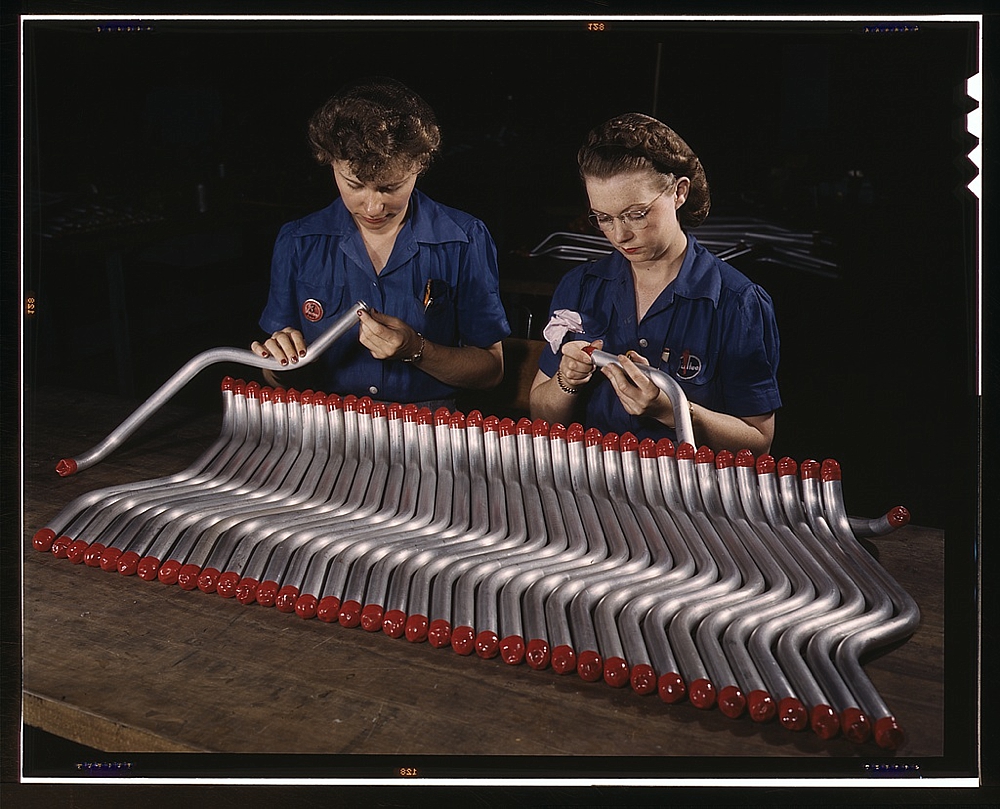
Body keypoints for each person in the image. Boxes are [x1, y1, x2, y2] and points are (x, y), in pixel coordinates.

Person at [530, 113, 781, 454]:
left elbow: (757, 442)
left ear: (679, 193)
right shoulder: (580, 287)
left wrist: (671, 410)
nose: (620, 235)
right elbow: (540, 413)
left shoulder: (737, 303)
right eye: (604, 218)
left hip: (687, 495)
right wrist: (566, 380)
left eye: (636, 214)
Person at [252, 76, 510, 408]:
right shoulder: (298, 242)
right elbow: (275, 377)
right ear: (330, 161)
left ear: (420, 165)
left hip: (429, 432)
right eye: (354, 185)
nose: (373, 207)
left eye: (390, 187)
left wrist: (417, 349)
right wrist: (282, 365)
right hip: (325, 426)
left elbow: (492, 371)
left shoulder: (465, 239)